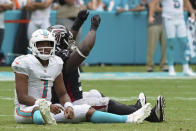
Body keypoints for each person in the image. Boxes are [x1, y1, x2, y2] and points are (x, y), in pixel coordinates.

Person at [11, 28, 152, 125]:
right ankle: (45, 119)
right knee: (38, 113)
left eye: (49, 44)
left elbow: (62, 93)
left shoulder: (56, 62)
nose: (46, 48)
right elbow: (23, 97)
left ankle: (128, 118)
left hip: (50, 108)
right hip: (26, 108)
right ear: (33, 45)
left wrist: (68, 106)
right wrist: (47, 106)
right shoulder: (24, 62)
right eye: (41, 44)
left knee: (86, 109)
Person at [48, 10, 166, 123]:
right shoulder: (60, 60)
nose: (70, 41)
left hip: (68, 97)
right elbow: (85, 49)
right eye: (66, 39)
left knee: (96, 93)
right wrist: (93, 28)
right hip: (70, 102)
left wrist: (78, 23)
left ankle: (134, 108)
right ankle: (152, 115)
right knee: (106, 102)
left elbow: (68, 38)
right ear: (60, 42)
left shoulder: (55, 55)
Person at [149, 0, 196, 76]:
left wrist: (192, 13)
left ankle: (185, 67)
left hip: (180, 19)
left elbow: (186, 1)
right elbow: (153, 3)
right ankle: (171, 67)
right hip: (169, 19)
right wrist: (151, 16)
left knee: (184, 42)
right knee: (171, 43)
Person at [146, 0, 168, 72]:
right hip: (154, 23)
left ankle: (164, 65)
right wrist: (167, 9)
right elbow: (154, 8)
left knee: (165, 46)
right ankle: (150, 66)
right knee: (151, 46)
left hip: (165, 23)